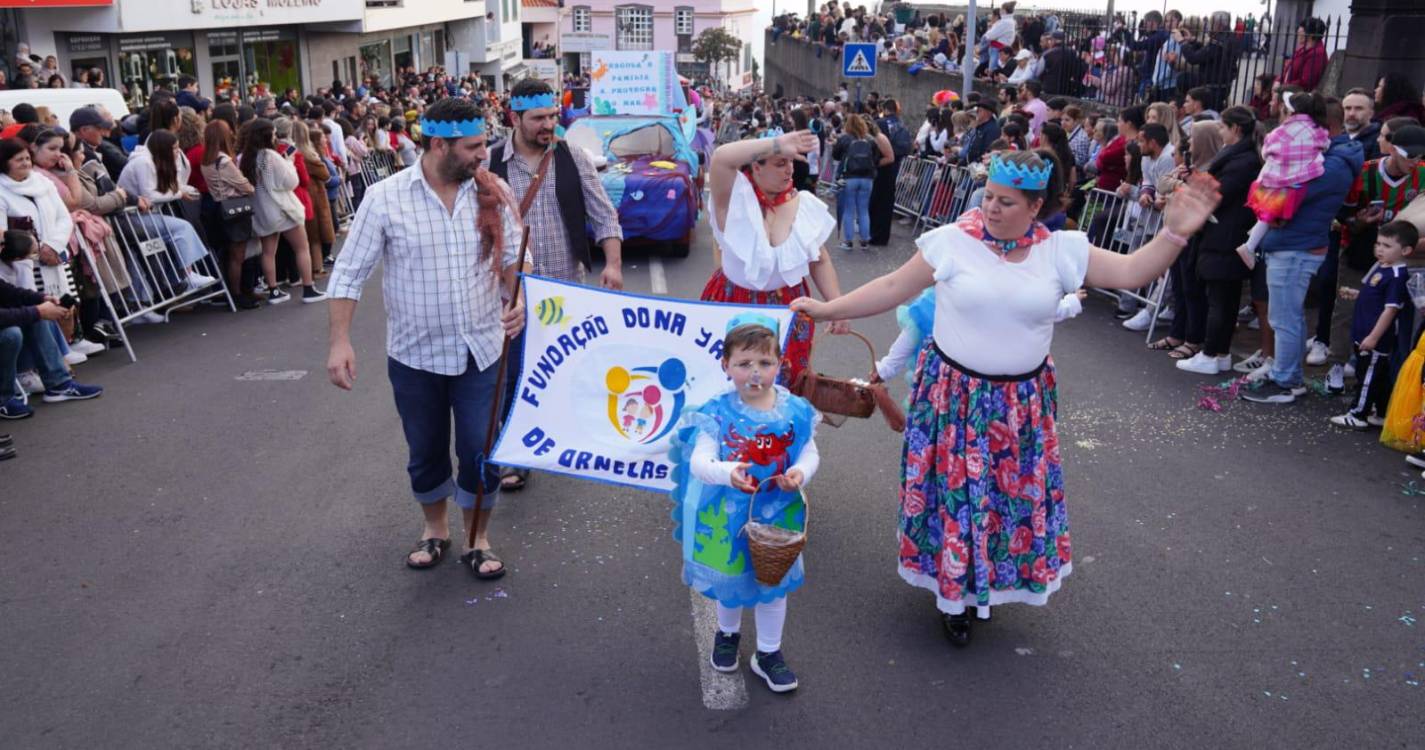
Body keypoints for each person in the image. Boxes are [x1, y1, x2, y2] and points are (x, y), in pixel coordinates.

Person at [790, 150, 1220, 646]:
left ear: (1036, 207)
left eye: (1006, 202)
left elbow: (1132, 273)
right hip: (953, 397)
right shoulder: (951, 242)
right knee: (956, 498)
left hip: (1020, 405)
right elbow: (890, 287)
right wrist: (827, 309)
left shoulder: (1062, 250)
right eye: (989, 196)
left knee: (1002, 500)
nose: (991, 208)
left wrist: (1175, 233)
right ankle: (954, 597)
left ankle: (985, 584)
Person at [325, 97, 525, 579]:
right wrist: (340, 341)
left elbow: (516, 258)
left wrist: (518, 298)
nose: (484, 154)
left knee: (481, 447)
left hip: (482, 347)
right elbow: (349, 274)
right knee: (426, 448)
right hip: (414, 355)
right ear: (439, 144)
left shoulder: (492, 189)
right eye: (474, 146)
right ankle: (435, 529)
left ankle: (478, 536)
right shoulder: (385, 198)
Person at [668, 315, 820, 693]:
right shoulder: (715, 412)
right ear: (726, 365)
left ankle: (768, 652)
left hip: (778, 515)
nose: (755, 373)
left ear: (780, 365)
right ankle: (727, 633)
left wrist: (800, 474)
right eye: (744, 363)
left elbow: (810, 452)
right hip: (727, 515)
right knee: (732, 582)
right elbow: (700, 463)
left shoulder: (796, 410)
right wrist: (727, 472)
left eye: (765, 363)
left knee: (773, 585)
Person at [486, 78, 624, 492]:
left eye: (552, 116)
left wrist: (613, 263)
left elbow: (603, 214)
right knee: (512, 371)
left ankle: (554, 436)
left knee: (558, 368)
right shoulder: (491, 163)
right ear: (515, 118)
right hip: (511, 290)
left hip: (565, 288)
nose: (549, 124)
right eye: (539, 118)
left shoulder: (572, 156)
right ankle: (514, 455)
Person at [1242, 96, 1364, 405]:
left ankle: (1287, 381)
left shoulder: (1332, 164)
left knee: (1285, 318)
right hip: (1292, 245)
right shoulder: (1323, 157)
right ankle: (1287, 373)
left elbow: (1283, 194)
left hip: (1296, 247)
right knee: (1286, 317)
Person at [704, 129, 848, 389]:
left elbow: (820, 260)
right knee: (726, 384)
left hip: (788, 306)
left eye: (791, 163)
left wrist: (837, 305)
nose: (789, 171)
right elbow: (721, 158)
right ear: (756, 167)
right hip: (732, 300)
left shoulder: (804, 204)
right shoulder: (732, 198)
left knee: (787, 384)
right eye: (780, 163)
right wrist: (776, 144)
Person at [1325, 123, 1425, 394]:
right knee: (1348, 306)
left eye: (1419, 157)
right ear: (1392, 149)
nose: (1414, 162)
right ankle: (1337, 362)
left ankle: (1375, 373)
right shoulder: (1366, 172)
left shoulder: (1423, 174)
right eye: (1409, 155)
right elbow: (1340, 215)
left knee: (1392, 313)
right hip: (1362, 249)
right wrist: (1357, 221)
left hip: (1404, 258)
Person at [1179, 106, 1263, 375]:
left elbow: (1218, 194)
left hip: (1226, 235)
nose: (1222, 133)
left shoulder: (1242, 161)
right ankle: (1221, 352)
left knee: (1220, 300)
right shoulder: (1241, 158)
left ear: (1235, 129)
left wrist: (1195, 183)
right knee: (1224, 300)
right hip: (1225, 235)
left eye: (1223, 128)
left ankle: (1211, 352)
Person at [1329, 220, 1416, 429]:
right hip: (1364, 331)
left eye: (1387, 246)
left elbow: (1391, 309)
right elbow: (1378, 298)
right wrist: (1357, 294)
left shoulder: (1397, 275)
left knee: (1367, 376)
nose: (1379, 249)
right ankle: (1381, 412)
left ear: (1405, 250)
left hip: (1376, 336)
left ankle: (1358, 413)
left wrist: (1374, 337)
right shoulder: (1381, 268)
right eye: (1378, 244)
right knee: (1376, 375)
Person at [1235, 91, 1330, 270]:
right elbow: (1325, 145)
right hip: (1296, 181)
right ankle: (1249, 245)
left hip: (1270, 178)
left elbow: (1266, 149)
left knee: (1267, 213)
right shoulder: (1317, 128)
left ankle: (1251, 241)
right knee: (1273, 214)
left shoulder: (1280, 130)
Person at [238, 119, 325, 305]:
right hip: (282, 209)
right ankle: (308, 288)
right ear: (268, 135)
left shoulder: (246, 158)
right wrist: (290, 162)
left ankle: (273, 290)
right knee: (302, 247)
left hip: (262, 210)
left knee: (268, 252)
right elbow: (290, 182)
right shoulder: (270, 156)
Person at [199, 120, 259, 310]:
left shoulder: (206, 161)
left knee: (228, 254)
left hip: (218, 207)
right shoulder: (223, 161)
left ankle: (233, 292)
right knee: (237, 255)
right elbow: (244, 185)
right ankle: (238, 294)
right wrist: (249, 187)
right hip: (234, 208)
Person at [831, 113, 878, 251]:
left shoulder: (844, 138)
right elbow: (876, 157)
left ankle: (848, 241)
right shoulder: (870, 139)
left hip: (849, 177)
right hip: (867, 178)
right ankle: (864, 241)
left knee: (849, 210)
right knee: (864, 210)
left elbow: (835, 155)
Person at [1280, 17, 1327, 92]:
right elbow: (1288, 69)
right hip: (1287, 90)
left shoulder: (1317, 54)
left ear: (1311, 35)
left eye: (1301, 31)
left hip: (1296, 96)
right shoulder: (1302, 49)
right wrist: (1278, 80)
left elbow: (1305, 83)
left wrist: (1282, 88)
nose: (1298, 32)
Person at [1342, 88, 1382, 162]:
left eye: (1358, 108)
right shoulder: (1334, 136)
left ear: (1371, 113)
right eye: (1347, 108)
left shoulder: (1379, 141)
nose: (1351, 114)